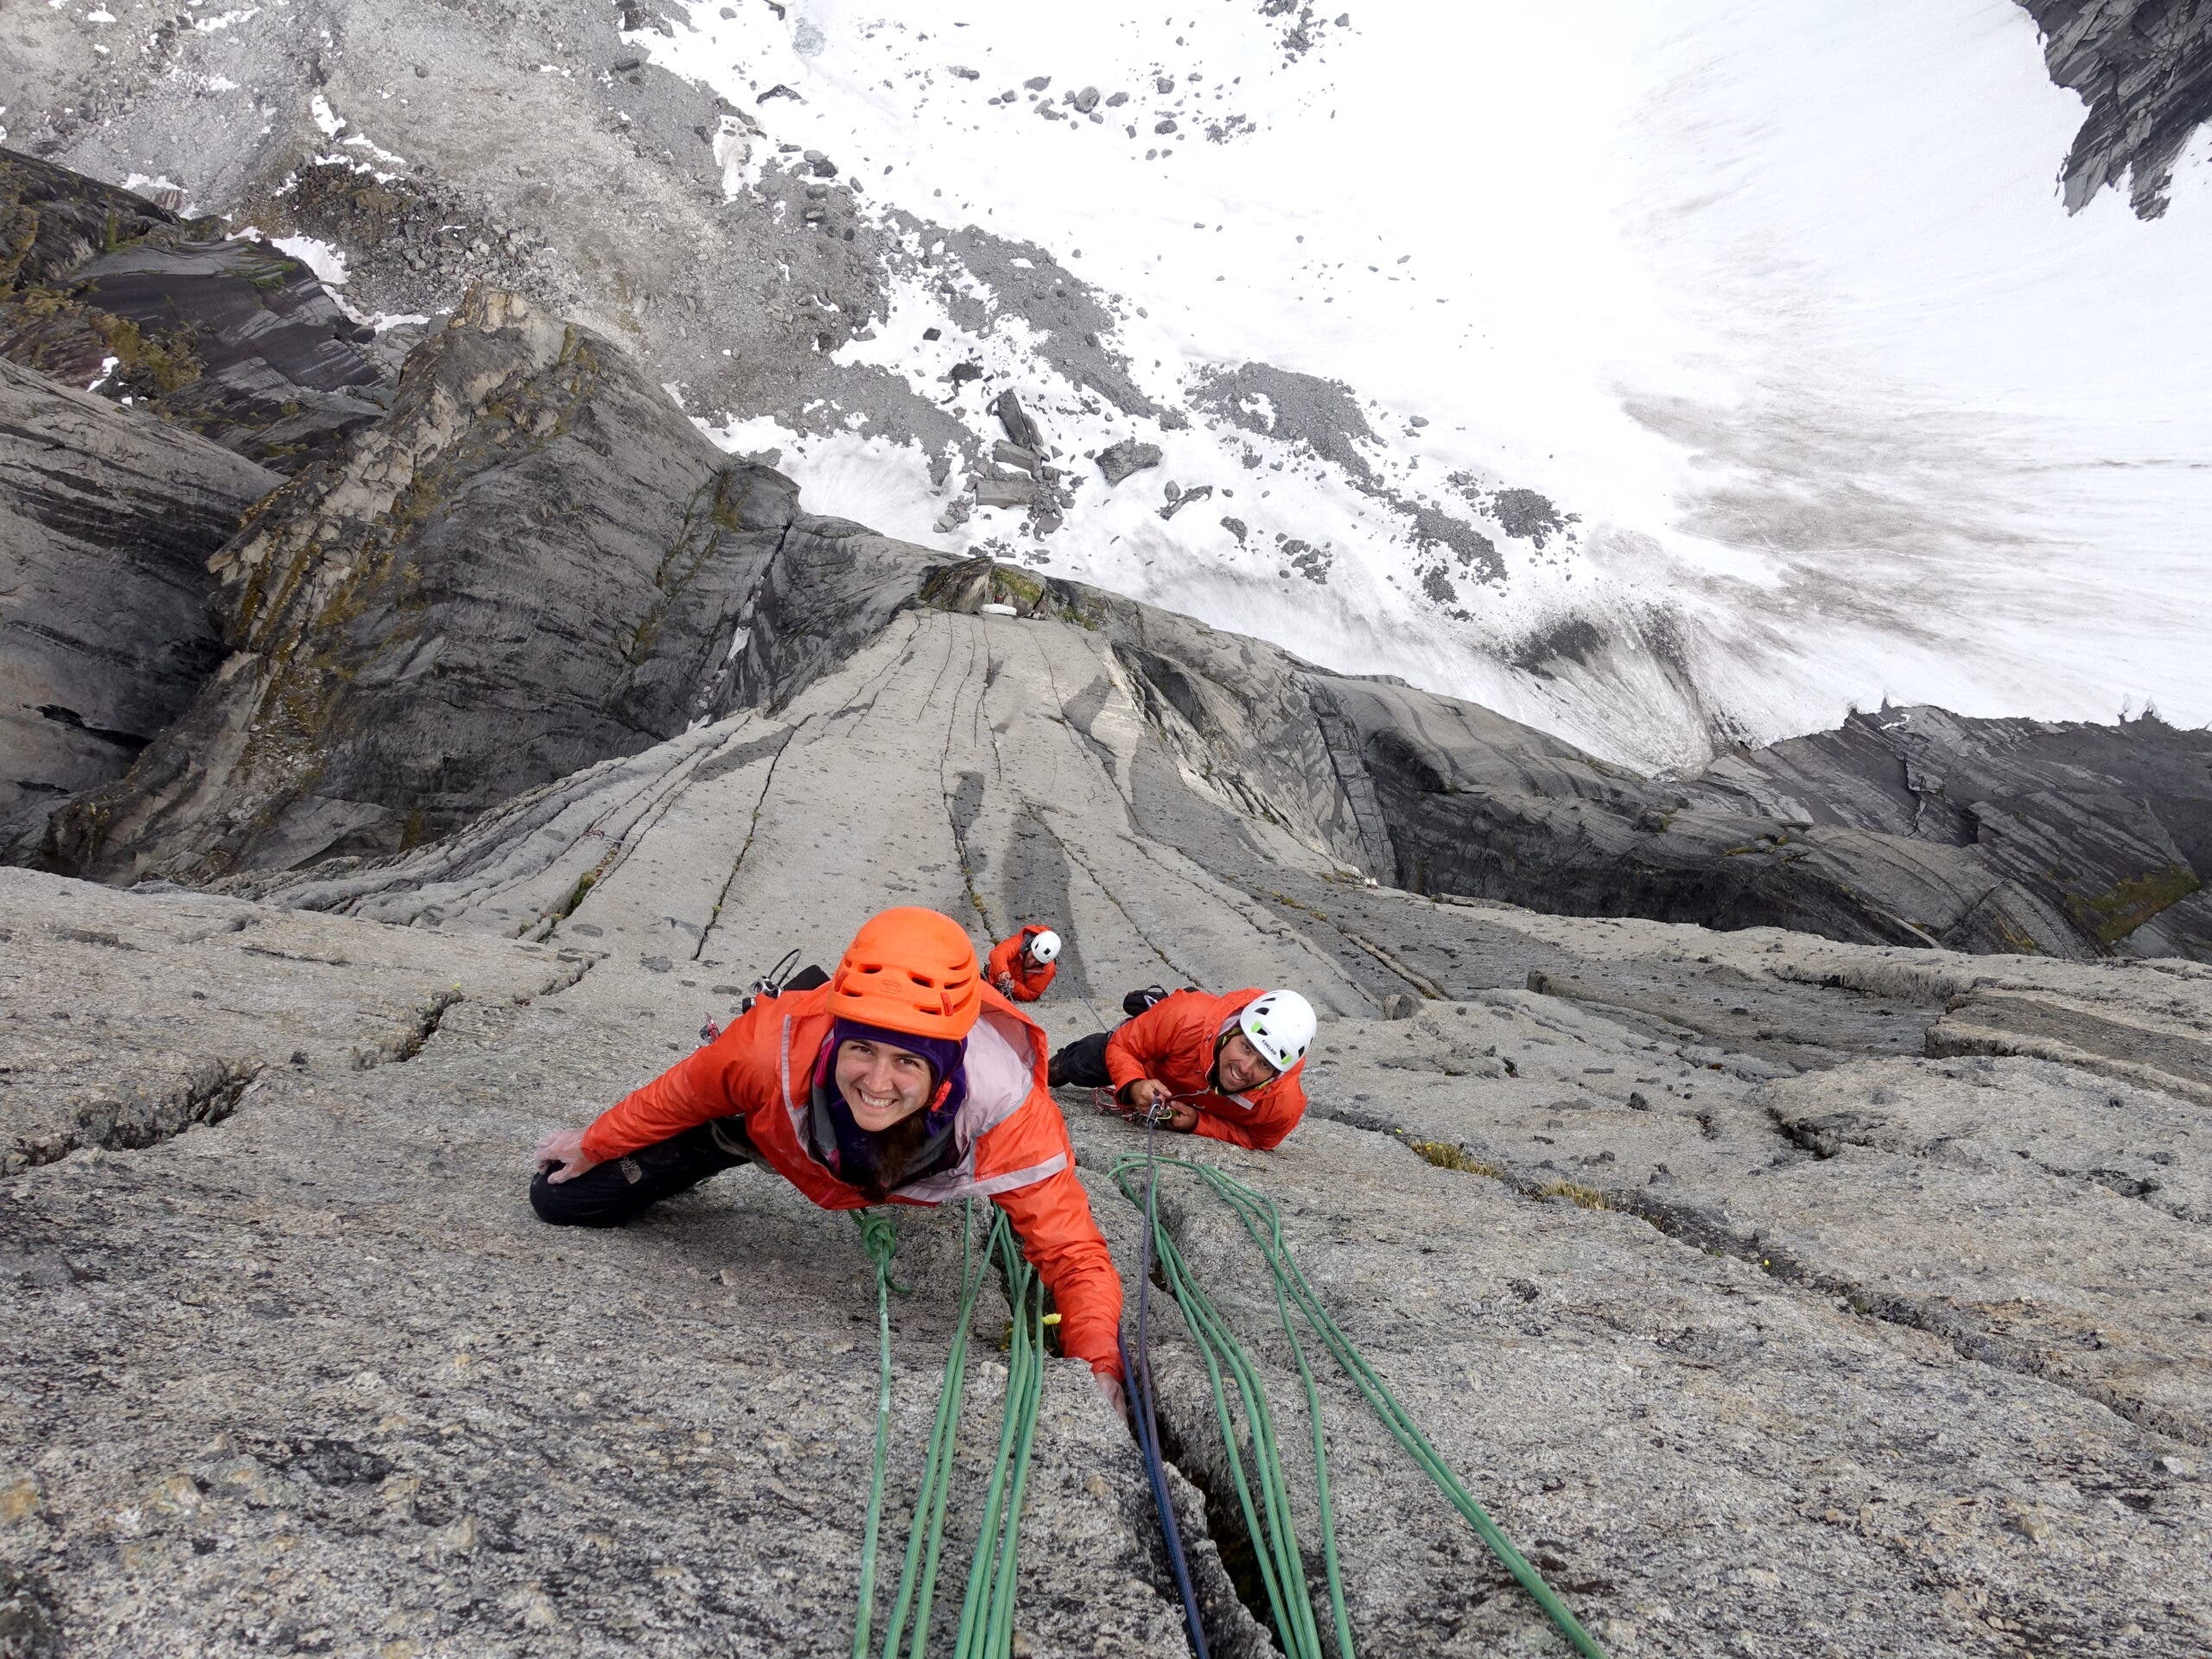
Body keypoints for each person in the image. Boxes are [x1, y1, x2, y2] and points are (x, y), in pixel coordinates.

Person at [531, 906, 1126, 1414]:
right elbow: (684, 1092)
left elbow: (1072, 1253)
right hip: (771, 1138)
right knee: (561, 1198)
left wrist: (1098, 1364)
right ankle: (721, 1142)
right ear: (837, 1036)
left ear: (944, 1068)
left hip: (859, 1159)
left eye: (907, 1063)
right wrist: (595, 1142)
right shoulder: (773, 1046)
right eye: (860, 1049)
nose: (877, 1081)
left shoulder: (1007, 1112)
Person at [1047, 987, 1316, 1151]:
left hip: (1184, 1089)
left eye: (1264, 1064)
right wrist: (1134, 1084)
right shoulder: (1188, 1016)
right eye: (1246, 1048)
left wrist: (1199, 1124)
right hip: (1153, 1060)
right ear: (1232, 1031)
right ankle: (1044, 1072)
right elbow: (1124, 1046)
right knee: (1083, 1061)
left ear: (1276, 1075)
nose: (1245, 1068)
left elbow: (1260, 1140)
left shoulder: (1282, 1104)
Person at [985, 925, 1061, 1003]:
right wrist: (1002, 971)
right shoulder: (1019, 942)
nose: (1031, 962)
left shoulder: (1048, 970)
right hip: (991, 978)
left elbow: (1031, 994)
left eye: (1037, 961)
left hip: (1012, 996)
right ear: (1029, 947)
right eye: (1032, 956)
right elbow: (998, 953)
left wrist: (1015, 986)